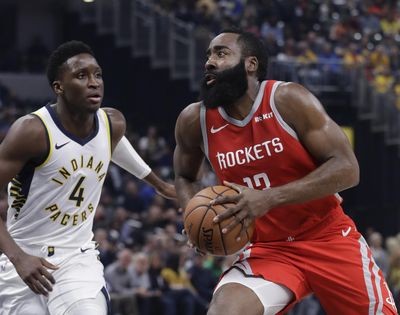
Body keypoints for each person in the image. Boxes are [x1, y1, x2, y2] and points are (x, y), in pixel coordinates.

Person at [173, 29, 398, 315]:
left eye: (221, 53)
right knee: (225, 311)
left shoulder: (288, 100)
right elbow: (184, 176)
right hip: (268, 248)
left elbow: (348, 167)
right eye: (208, 55)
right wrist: (192, 212)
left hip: (327, 236)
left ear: (250, 64)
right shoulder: (194, 120)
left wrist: (269, 198)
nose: (209, 62)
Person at [0, 40, 176, 315]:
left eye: (98, 74)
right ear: (59, 87)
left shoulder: (112, 123)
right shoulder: (32, 131)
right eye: (82, 76)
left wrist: (161, 185)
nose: (94, 82)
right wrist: (17, 257)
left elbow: (114, 144)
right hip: (22, 257)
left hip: (76, 257)